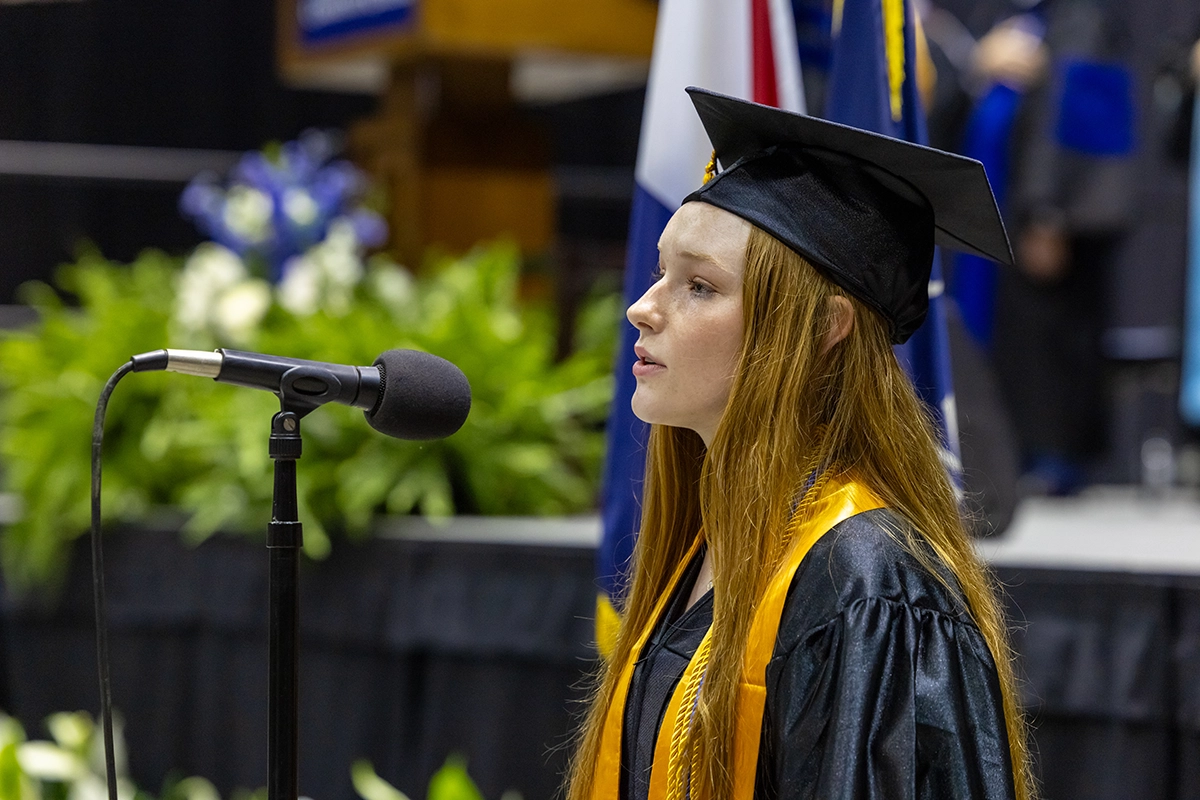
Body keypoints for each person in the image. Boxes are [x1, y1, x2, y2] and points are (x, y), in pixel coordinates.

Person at [566, 88, 1034, 800]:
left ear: (824, 329)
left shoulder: (871, 586)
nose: (642, 306)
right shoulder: (706, 542)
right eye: (661, 272)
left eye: (698, 285)